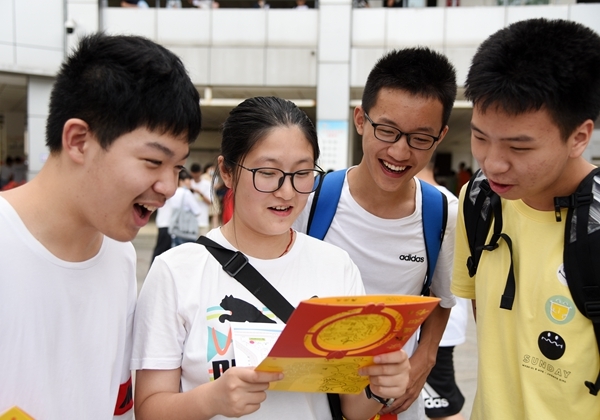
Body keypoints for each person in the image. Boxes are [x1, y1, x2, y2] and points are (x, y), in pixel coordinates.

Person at [131, 96, 411, 420]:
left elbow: (352, 407)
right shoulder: (176, 271)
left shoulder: (337, 267)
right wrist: (211, 400)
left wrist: (381, 387)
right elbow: (149, 409)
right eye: (267, 172)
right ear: (227, 171)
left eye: (302, 172)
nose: (287, 192)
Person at [0, 33, 201, 419]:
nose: (169, 187)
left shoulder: (120, 255)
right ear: (78, 141)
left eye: (177, 167)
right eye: (153, 162)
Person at [294, 47, 457, 420]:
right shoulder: (310, 199)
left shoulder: (442, 212)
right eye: (387, 130)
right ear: (360, 120)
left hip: (392, 402)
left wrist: (426, 357)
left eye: (420, 138)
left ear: (440, 136)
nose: (399, 152)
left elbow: (442, 297)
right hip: (312, 396)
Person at [451, 18, 600, 419]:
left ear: (579, 137)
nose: (493, 163)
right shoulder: (479, 200)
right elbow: (490, 325)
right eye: (480, 137)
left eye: (519, 147)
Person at [416, 156, 467, 420]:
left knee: (442, 407)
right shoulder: (452, 202)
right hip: (442, 323)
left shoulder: (440, 205)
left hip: (437, 325)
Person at [170, 169, 203, 247]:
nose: (190, 183)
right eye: (188, 181)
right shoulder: (186, 193)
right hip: (186, 231)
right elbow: (197, 211)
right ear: (181, 181)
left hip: (175, 230)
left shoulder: (173, 192)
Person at [190, 162, 212, 236]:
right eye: (194, 173)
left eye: (197, 173)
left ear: (201, 172)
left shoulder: (207, 184)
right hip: (190, 222)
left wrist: (200, 193)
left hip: (203, 221)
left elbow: (210, 202)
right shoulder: (189, 183)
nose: (195, 175)